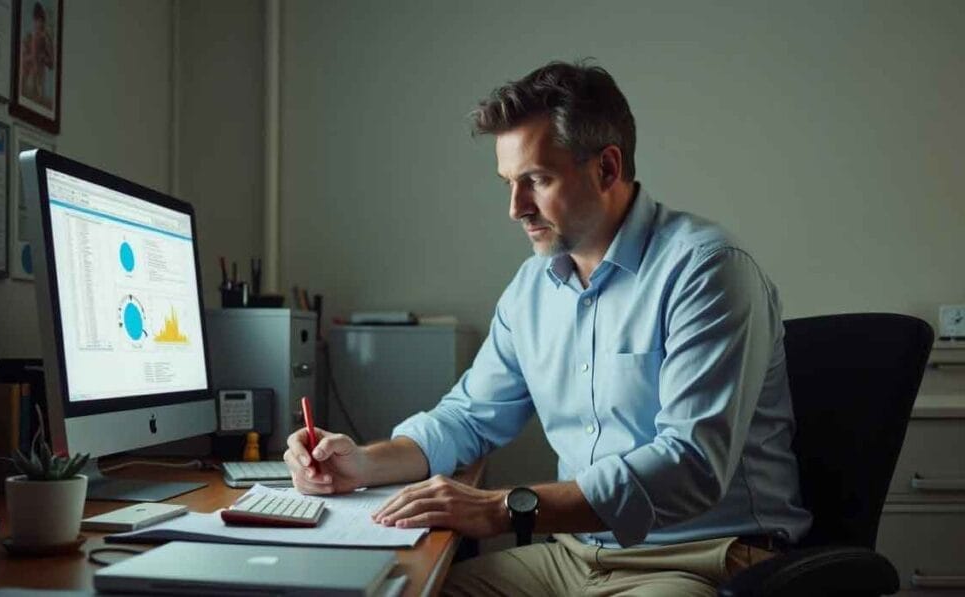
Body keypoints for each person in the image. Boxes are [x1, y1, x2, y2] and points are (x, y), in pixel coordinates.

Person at [284, 60, 812, 595]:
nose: (515, 208)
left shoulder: (707, 270)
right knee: (407, 589)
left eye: (536, 180)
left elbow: (691, 464)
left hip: (700, 560)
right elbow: (468, 417)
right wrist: (362, 465)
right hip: (575, 556)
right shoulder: (532, 287)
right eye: (508, 183)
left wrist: (502, 509)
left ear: (607, 168)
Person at [20, 1, 55, 108]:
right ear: (34, 21)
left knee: (38, 97)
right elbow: (22, 60)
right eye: (37, 21)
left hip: (39, 81)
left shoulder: (46, 40)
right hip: (27, 79)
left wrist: (43, 57)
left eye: (41, 21)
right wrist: (31, 58)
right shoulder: (28, 38)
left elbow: (52, 63)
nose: (39, 24)